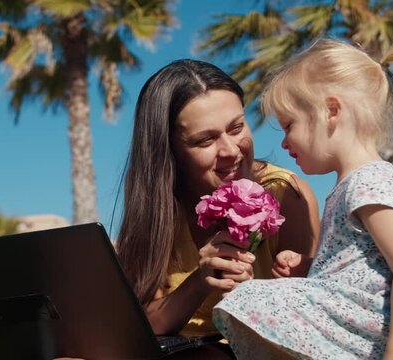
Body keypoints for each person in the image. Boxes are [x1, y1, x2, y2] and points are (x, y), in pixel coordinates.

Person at [213, 39, 393, 359]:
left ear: (331, 111)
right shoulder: (351, 184)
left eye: (289, 125)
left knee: (253, 297)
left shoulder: (368, 181)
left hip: (381, 331)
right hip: (364, 320)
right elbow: (365, 270)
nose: (283, 143)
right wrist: (310, 269)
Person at [115, 59, 321, 358]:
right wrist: (201, 280)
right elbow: (144, 325)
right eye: (205, 140)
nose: (231, 150)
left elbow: (304, 328)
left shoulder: (286, 193)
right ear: (170, 150)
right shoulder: (158, 208)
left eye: (237, 127)